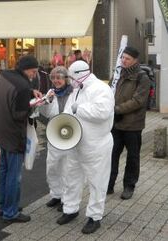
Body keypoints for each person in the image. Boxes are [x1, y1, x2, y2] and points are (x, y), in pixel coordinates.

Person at [58, 60, 114, 234]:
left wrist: (78, 109)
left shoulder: (101, 89)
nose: (69, 80)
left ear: (79, 75)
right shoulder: (77, 90)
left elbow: (102, 112)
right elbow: (68, 112)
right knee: (71, 177)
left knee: (97, 181)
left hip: (96, 145)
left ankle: (94, 216)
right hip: (76, 144)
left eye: (70, 77)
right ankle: (70, 209)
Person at [0, 55, 42, 223]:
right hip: (13, 136)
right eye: (33, 71)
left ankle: (5, 205)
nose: (34, 75)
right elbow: (20, 115)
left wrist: (29, 94)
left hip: (0, 131)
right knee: (14, 175)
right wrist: (34, 103)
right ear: (26, 69)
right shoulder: (22, 86)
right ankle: (10, 212)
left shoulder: (5, 75)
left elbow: (12, 99)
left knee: (4, 171)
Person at [107, 46, 150, 200]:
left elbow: (138, 101)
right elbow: (108, 93)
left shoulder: (142, 77)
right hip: (116, 124)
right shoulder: (117, 74)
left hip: (133, 126)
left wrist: (116, 110)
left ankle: (128, 186)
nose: (124, 60)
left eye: (128, 58)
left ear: (135, 60)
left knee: (132, 158)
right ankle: (109, 184)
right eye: (123, 57)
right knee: (112, 156)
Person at [39, 66, 73, 210]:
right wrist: (46, 102)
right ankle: (56, 195)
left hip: (70, 134)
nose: (56, 81)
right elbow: (45, 114)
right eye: (53, 78)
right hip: (54, 134)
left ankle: (67, 198)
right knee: (52, 167)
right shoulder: (51, 93)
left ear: (66, 78)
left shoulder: (74, 93)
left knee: (66, 168)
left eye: (59, 78)